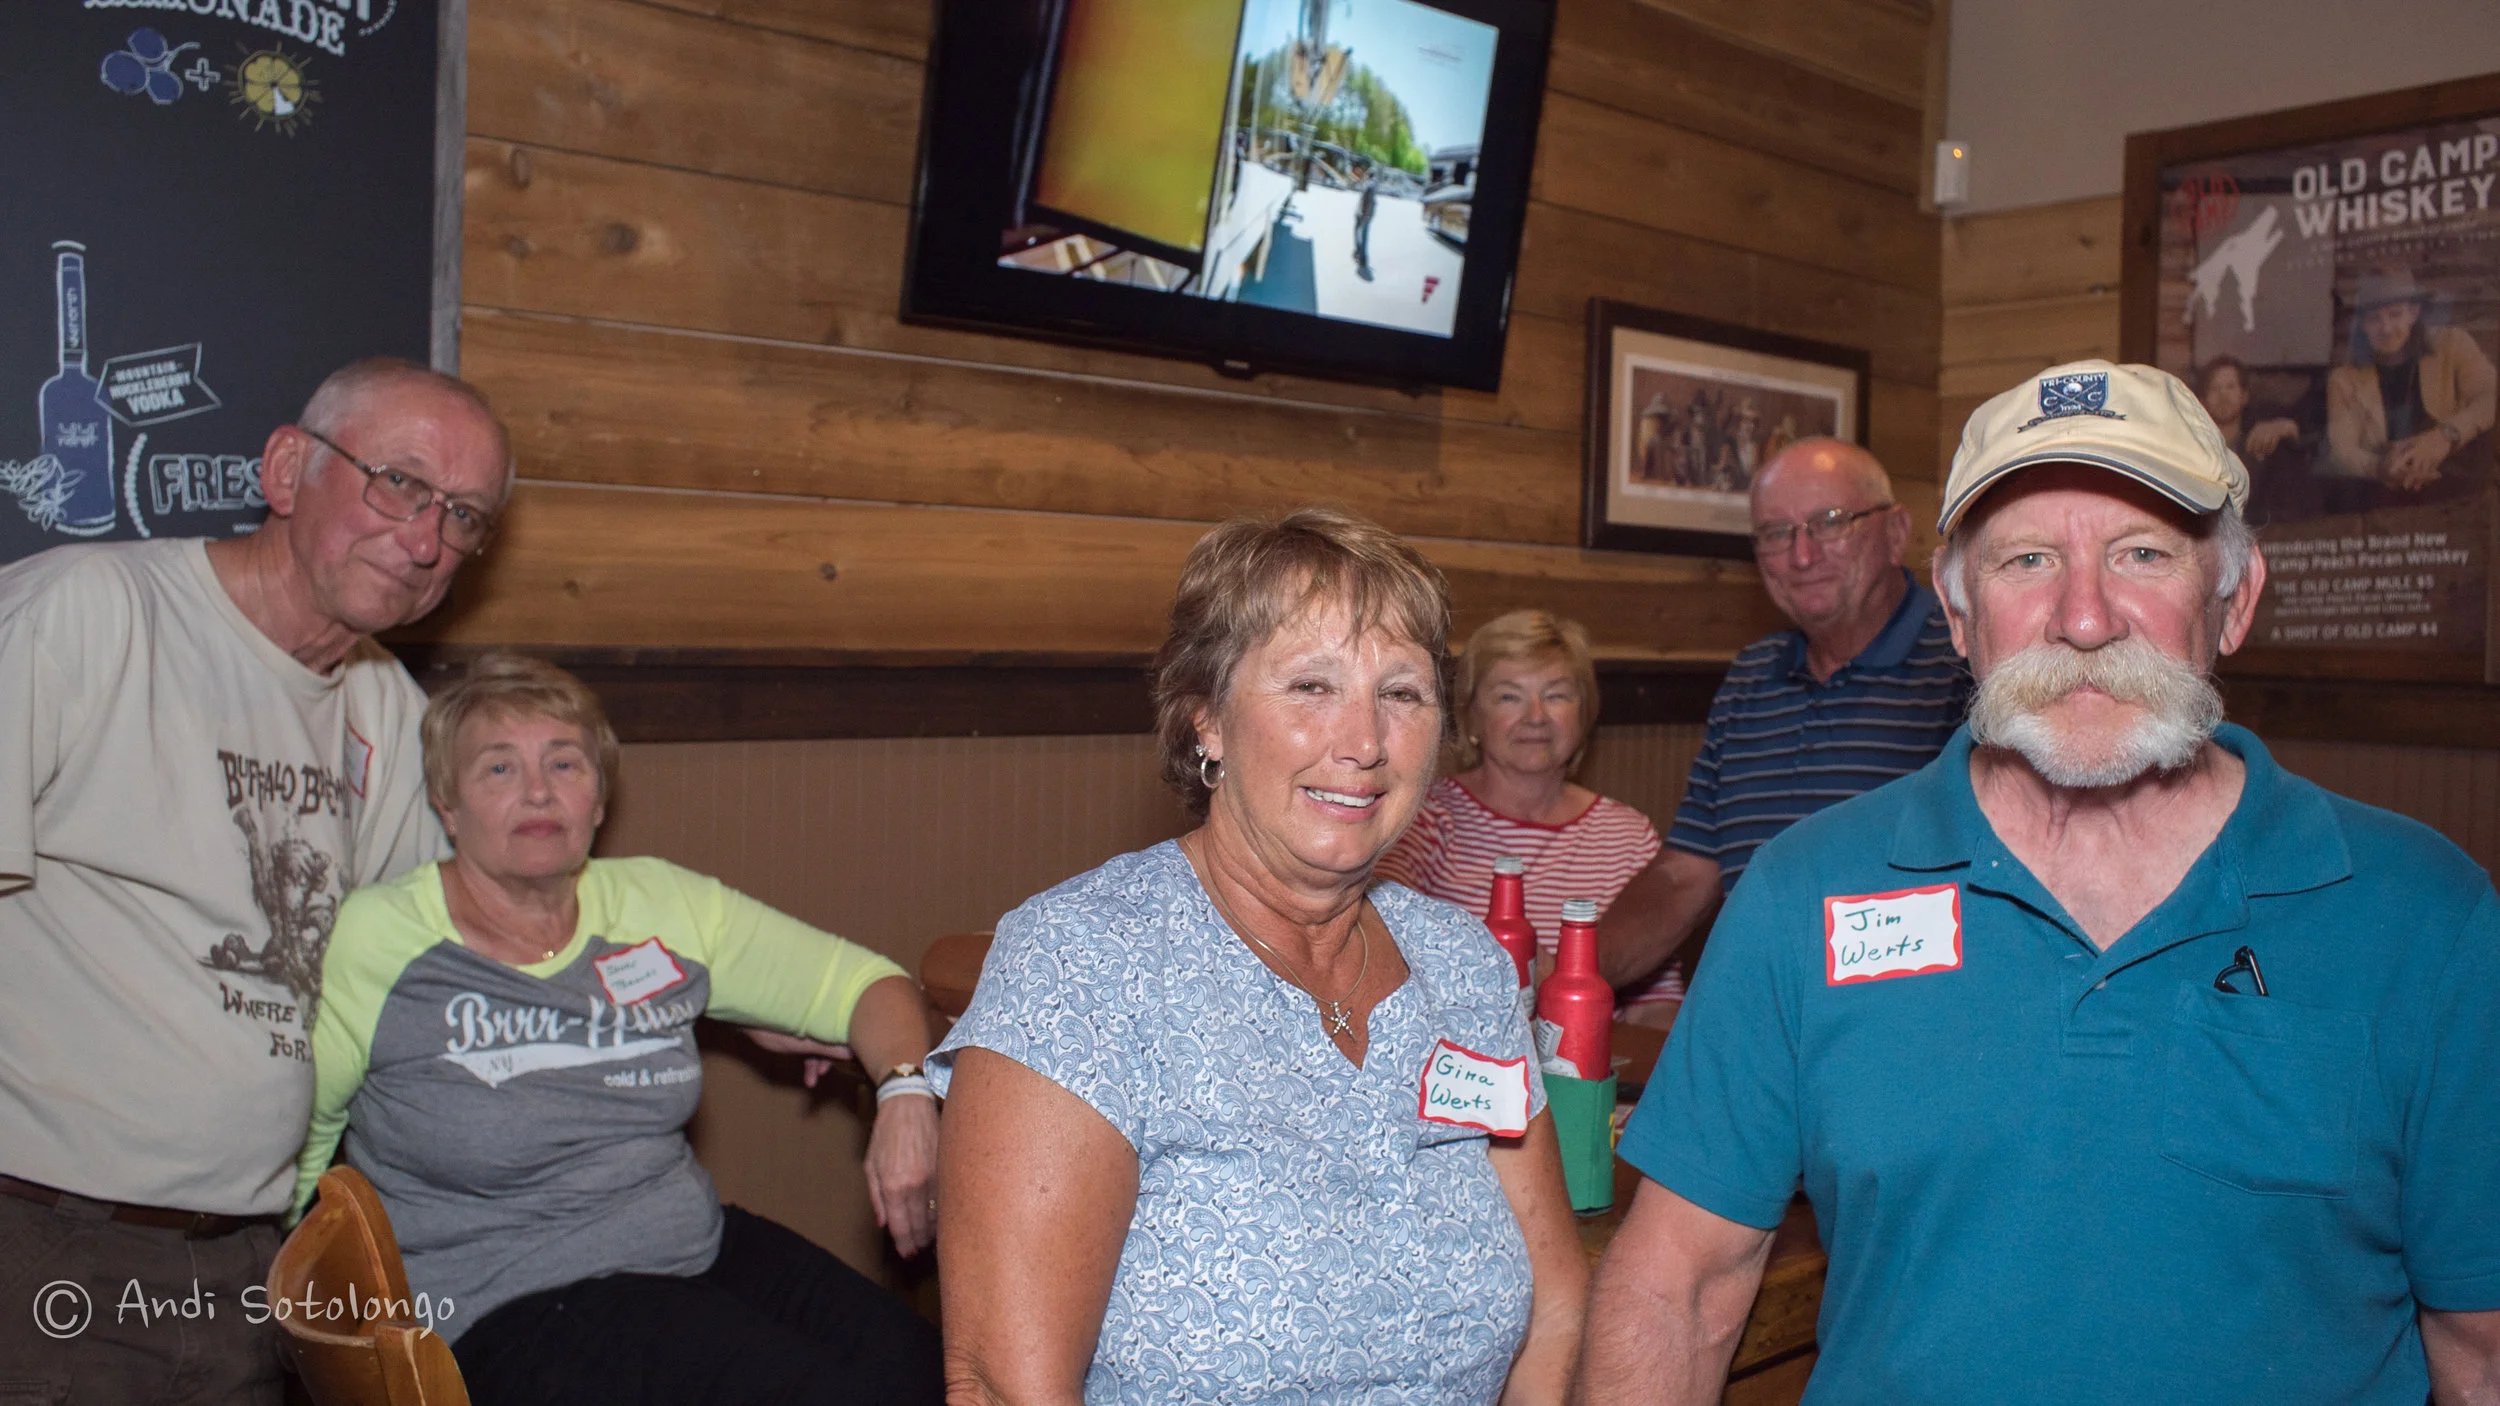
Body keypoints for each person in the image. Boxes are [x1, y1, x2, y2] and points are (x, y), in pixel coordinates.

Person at [1580, 359, 2500, 1404]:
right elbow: (1676, 1290)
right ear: (1958, 612)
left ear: (2235, 599)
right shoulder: (1802, 892)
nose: (2084, 616)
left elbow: (2479, 1349)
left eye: (2142, 552)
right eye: (2026, 559)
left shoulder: (2422, 914)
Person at [932, 508, 1587, 1404]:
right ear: (1206, 719)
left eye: (1402, 694)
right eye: (1312, 685)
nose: (1364, 743)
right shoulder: (1082, 967)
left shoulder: (1464, 968)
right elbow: (1001, 1386)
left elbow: (1555, 1303)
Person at [0, 358, 510, 1404]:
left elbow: (457, 949)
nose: (425, 540)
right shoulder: (86, 612)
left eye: (462, 515)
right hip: (43, 1238)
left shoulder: (387, 706)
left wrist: (734, 992)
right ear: (286, 470)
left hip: (250, 1258)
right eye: (400, 484)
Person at [297, 653, 944, 1406]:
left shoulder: (660, 904)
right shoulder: (379, 938)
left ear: (599, 799)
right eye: (499, 768)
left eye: (564, 764)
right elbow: (299, 1150)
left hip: (693, 1251)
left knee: (932, 1371)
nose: (538, 791)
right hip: (505, 1310)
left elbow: (869, 985)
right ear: (447, 804)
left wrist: (904, 1095)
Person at [1595, 438, 1969, 1013]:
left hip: (1911, 1017)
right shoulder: (1752, 677)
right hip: (1761, 1016)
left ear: (1896, 532)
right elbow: (1684, 875)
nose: (1802, 556)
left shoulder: (1963, 666)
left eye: (1830, 522)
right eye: (1776, 533)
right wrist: (1564, 976)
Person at [1376, 608, 1679, 1020]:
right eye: (1509, 697)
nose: (1536, 717)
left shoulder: (1629, 836)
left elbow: (1657, 1003)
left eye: (1556, 695)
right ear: (1472, 716)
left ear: (1584, 712)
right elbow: (1385, 948)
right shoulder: (1422, 819)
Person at [2323, 266, 2495, 509]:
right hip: (2385, 495)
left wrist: (2444, 436)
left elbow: (2489, 396)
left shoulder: (2453, 345)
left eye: (2395, 314)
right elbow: (2341, 450)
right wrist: (2381, 467)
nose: (2386, 328)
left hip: (2456, 484)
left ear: (2413, 313)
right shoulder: (2343, 380)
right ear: (2362, 324)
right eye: (2374, 319)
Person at [2191, 353, 2320, 525]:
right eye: (2215, 388)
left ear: (2244, 396)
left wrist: (2283, 427)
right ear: (2202, 401)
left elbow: (2307, 432)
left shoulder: (2260, 441)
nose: (2223, 395)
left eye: (2230, 387)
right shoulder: (2193, 447)